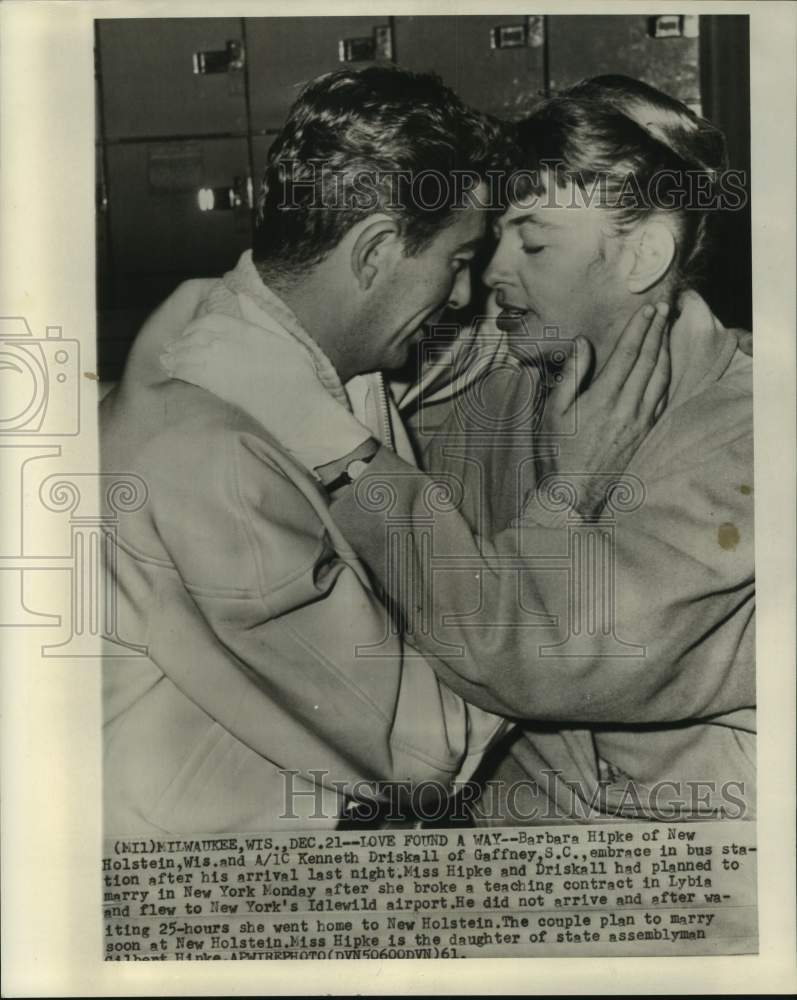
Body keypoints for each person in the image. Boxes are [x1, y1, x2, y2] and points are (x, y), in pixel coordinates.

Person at [164, 76, 754, 824]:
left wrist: (348, 463)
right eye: (494, 238)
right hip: (503, 853)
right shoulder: (516, 377)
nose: (492, 274)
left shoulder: (746, 437)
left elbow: (530, 655)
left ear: (641, 258)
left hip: (680, 885)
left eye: (533, 241)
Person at [100, 66, 522, 835]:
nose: (462, 299)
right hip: (208, 883)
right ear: (373, 253)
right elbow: (420, 744)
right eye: (457, 264)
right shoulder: (215, 462)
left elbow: (467, 348)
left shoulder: (253, 332)